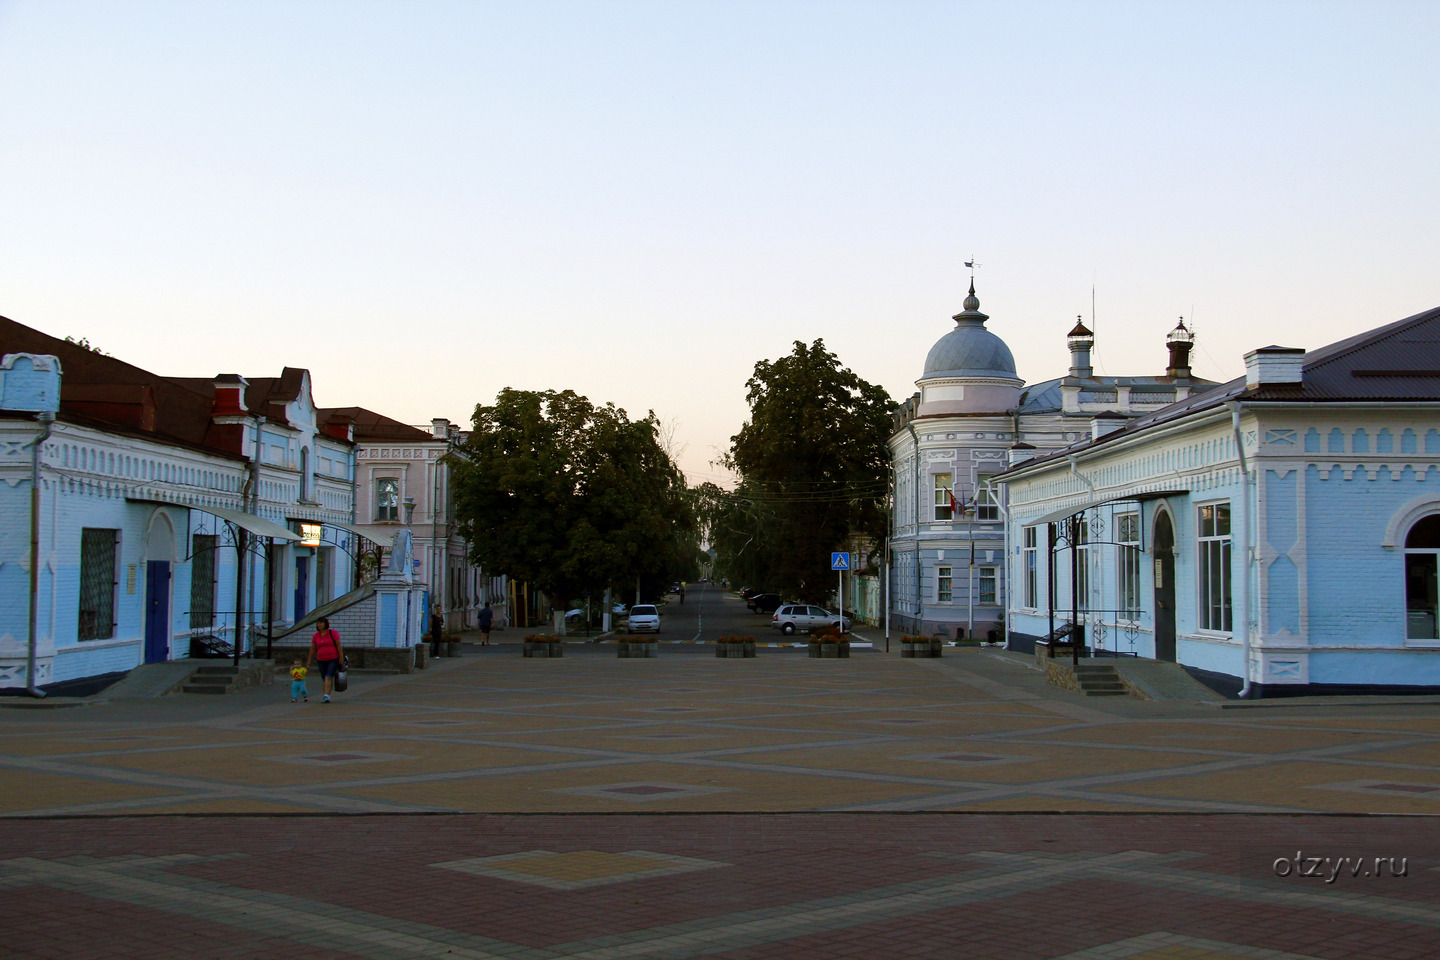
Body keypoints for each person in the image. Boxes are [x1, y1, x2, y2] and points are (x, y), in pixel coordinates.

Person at [307, 617, 345, 703]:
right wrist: (309, 661)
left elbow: (338, 646)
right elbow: (312, 649)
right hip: (321, 659)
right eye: (318, 623)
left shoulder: (333, 633)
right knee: (324, 677)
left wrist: (341, 657)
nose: (319, 625)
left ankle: (326, 696)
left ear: (325, 624)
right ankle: (326, 694)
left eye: (321, 623)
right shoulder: (316, 636)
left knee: (329, 676)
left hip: (333, 658)